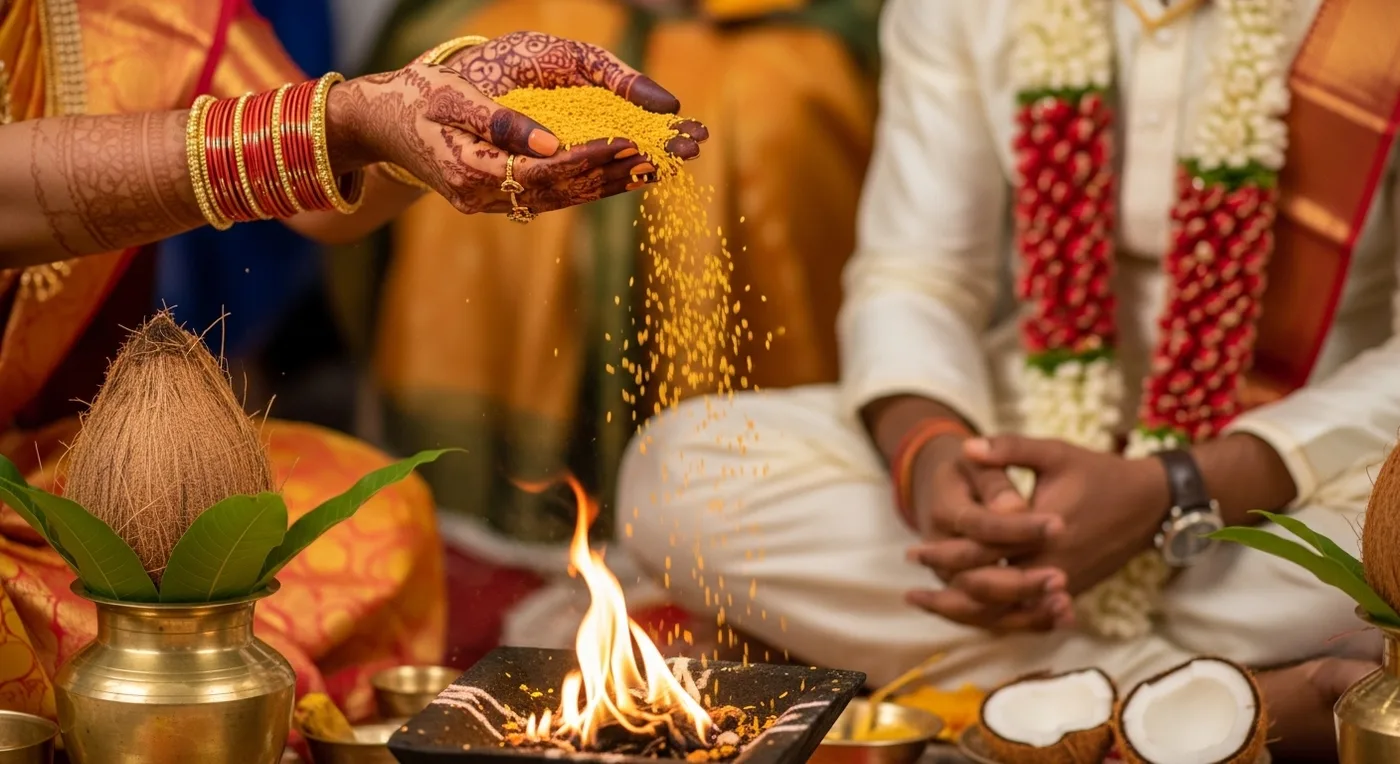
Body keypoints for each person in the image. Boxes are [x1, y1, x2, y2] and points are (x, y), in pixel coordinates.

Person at [617, 0, 1396, 754]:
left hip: (1300, 466)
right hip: (1022, 443)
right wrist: (935, 468)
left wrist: (1182, 487)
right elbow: (916, 274)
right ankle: (1204, 706)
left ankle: (1051, 697)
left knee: (1375, 559)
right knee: (680, 471)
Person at [0, 0, 704, 721]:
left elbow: (327, 198)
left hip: (50, 473)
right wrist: (352, 122)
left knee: (385, 522)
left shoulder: (142, 11)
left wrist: (433, 108)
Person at [327, 0, 878, 545]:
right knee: (500, 136)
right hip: (535, 12)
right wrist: (388, 124)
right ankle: (491, 521)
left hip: (781, 19)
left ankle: (739, 511)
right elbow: (296, 148)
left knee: (771, 116)